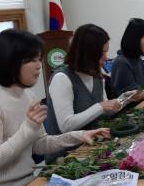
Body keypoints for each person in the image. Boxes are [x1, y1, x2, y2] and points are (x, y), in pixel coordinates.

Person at [0, 29, 110, 186]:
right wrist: (28, 129)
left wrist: (80, 135)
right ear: (10, 61)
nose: (38, 65)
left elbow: (40, 144)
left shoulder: (28, 96)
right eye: (31, 60)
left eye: (39, 58)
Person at [45, 24, 121, 162]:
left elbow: (103, 111)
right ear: (88, 53)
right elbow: (66, 125)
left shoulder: (97, 75)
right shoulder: (62, 78)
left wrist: (122, 101)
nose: (106, 57)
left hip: (93, 146)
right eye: (102, 52)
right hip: (66, 157)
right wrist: (100, 106)